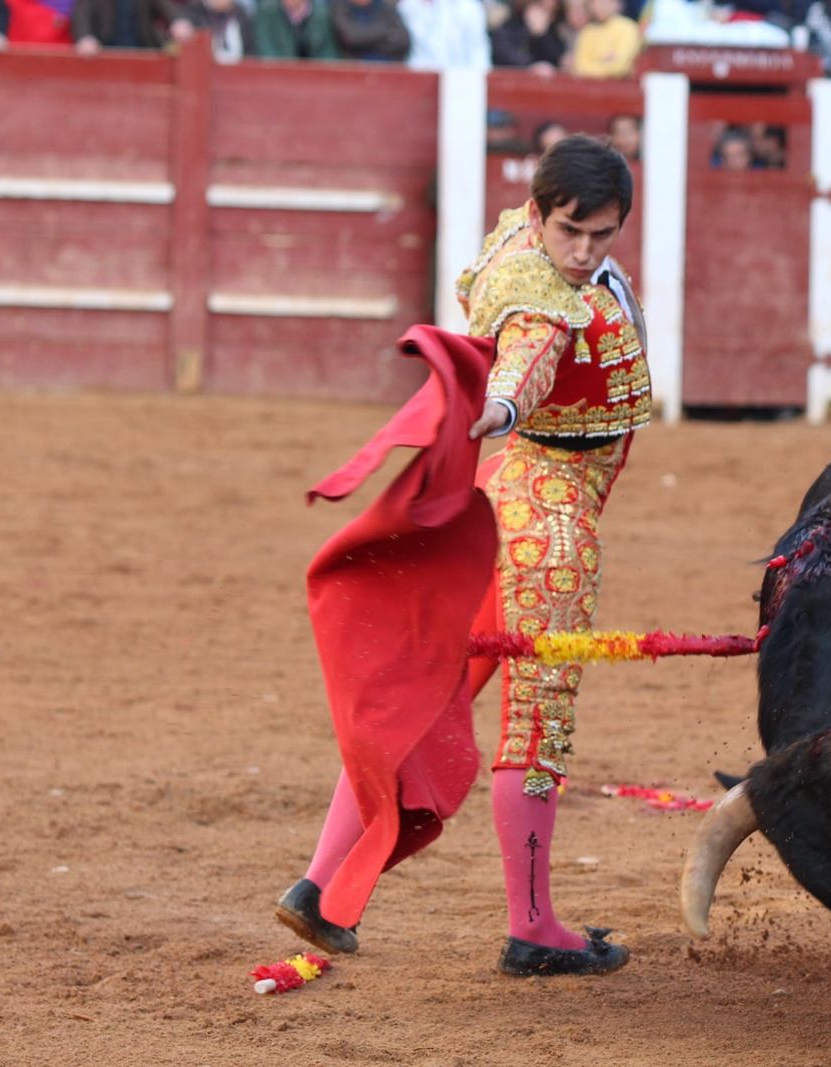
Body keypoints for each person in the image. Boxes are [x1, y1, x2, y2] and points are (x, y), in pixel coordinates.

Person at [275, 135, 649, 978]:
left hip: (500, 505)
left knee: (431, 694)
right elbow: (530, 342)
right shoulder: (537, 285)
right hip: (546, 522)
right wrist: (508, 403)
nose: (584, 254)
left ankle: (320, 886)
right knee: (538, 721)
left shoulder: (512, 239)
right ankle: (534, 927)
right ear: (536, 210)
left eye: (603, 235)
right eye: (570, 231)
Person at [402, 0, 491, 69]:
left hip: (461, 78)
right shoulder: (408, 6)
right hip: (419, 75)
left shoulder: (469, 7)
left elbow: (477, 50)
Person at [569, 0, 640, 76]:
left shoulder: (628, 28)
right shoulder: (587, 31)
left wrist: (594, 64)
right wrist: (605, 64)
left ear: (616, 4)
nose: (601, 6)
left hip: (620, 85)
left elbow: (621, 66)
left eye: (605, 2)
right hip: (589, 85)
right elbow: (580, 66)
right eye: (596, 2)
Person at [254, 0, 339, 58]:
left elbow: (328, 52)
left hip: (315, 76)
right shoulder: (267, 12)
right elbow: (266, 50)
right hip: (279, 75)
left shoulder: (321, 14)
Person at [331, 0, 409, 61]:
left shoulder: (385, 7)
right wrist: (386, 32)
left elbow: (402, 41)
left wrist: (365, 41)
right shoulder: (340, 6)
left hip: (387, 69)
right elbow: (352, 38)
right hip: (353, 71)